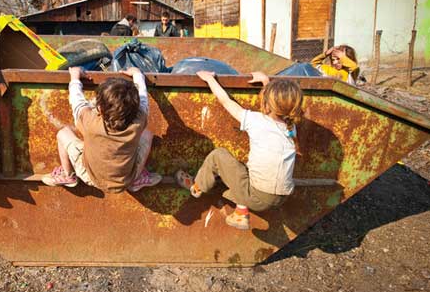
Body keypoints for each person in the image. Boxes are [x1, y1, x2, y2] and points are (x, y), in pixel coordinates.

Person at [176, 71, 303, 230]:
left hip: (258, 196)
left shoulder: (256, 121)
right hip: (282, 197)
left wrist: (209, 79)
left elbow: (225, 101)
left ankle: (197, 187)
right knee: (245, 169)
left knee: (218, 155)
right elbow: (275, 107)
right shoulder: (291, 128)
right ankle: (240, 213)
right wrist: (266, 81)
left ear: (267, 102)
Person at [41, 66, 162, 193]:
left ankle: (68, 175)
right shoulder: (140, 120)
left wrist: (75, 77)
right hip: (126, 179)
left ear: (99, 109)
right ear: (136, 107)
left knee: (63, 134)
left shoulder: (90, 122)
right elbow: (143, 99)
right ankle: (137, 180)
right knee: (147, 135)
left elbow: (77, 101)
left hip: (91, 177)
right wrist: (138, 74)